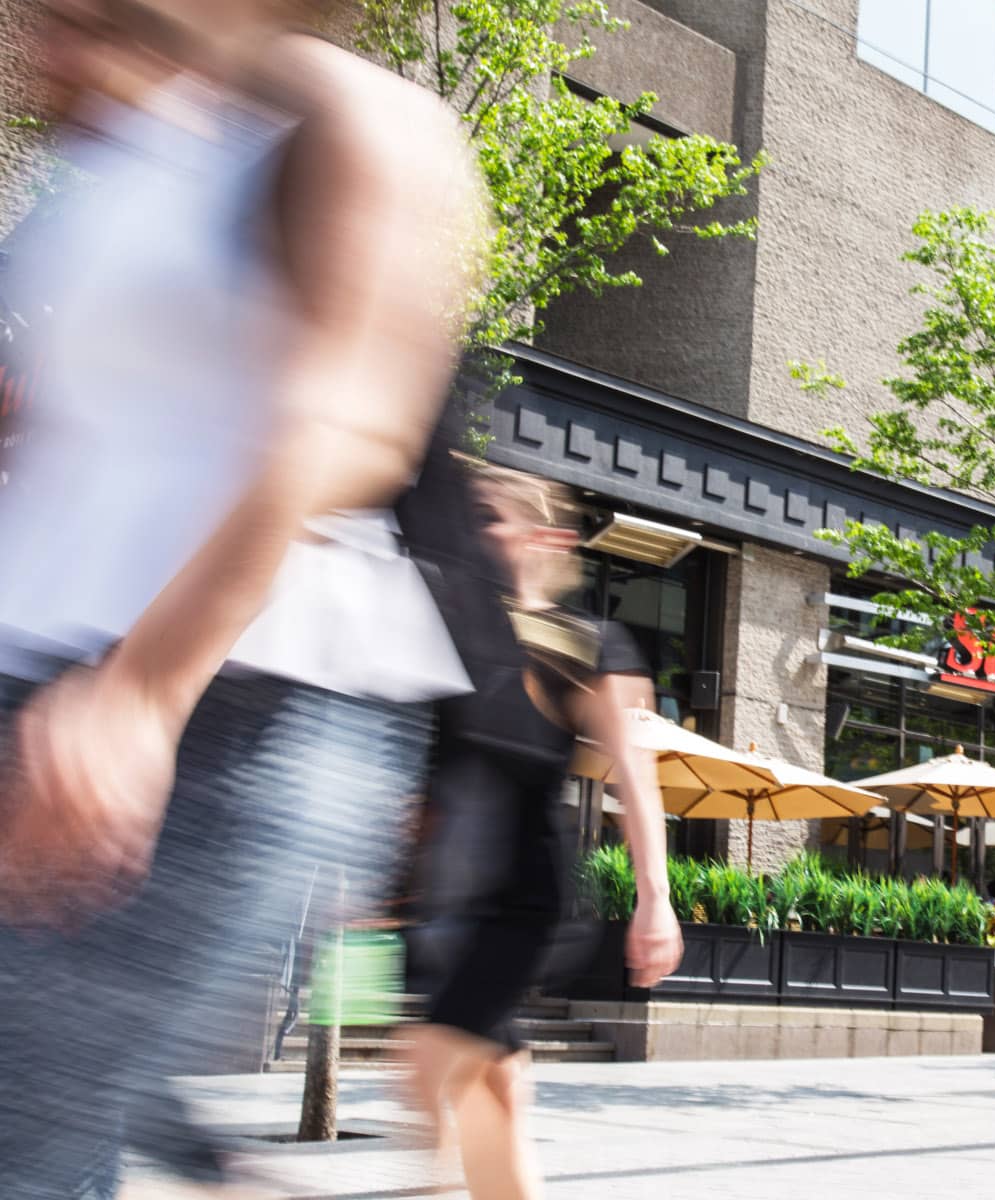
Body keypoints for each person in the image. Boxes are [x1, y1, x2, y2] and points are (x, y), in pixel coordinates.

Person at [0, 0, 483, 1193]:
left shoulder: (350, 117)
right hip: (34, 663)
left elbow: (345, 428)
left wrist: (141, 696)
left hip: (222, 707)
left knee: (27, 1136)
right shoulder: (118, 150)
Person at [403, 465, 682, 1199]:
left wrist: (655, 899)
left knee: (426, 1074)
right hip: (441, 901)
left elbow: (634, 775)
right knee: (493, 1095)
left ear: (543, 537)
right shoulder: (445, 621)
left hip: (520, 898)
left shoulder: (589, 642)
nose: (476, 534)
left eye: (491, 518)